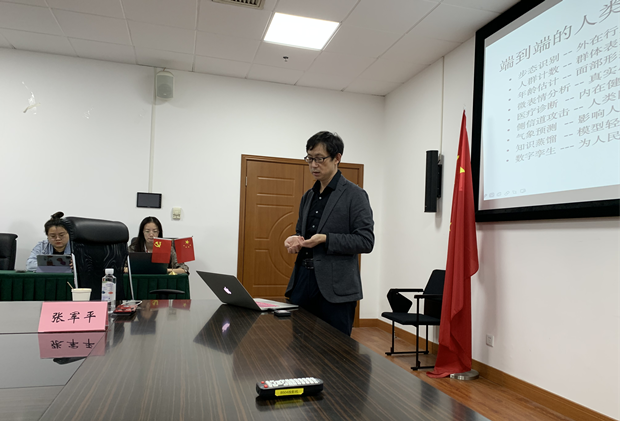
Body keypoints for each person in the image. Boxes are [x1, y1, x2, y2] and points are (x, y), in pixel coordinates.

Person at [284, 131, 374, 336]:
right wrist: (295, 239)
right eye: (309, 159)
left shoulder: (355, 195)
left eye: (319, 159)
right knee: (299, 346)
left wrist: (326, 239)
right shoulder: (308, 196)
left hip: (336, 288)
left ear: (337, 158)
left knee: (335, 350)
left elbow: (366, 241)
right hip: (303, 281)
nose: (313, 165)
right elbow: (301, 232)